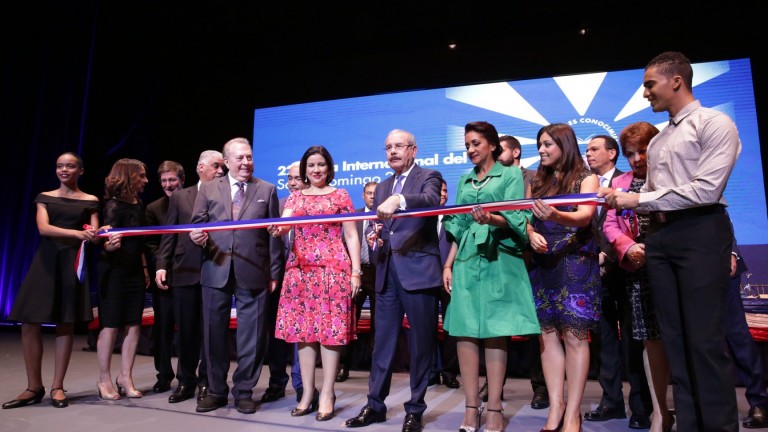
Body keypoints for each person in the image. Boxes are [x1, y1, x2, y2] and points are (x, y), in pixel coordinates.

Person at [600, 51, 741, 431]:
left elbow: (706, 190)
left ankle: (720, 426)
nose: (645, 93)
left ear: (676, 80)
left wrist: (637, 199)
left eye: (650, 84)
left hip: (699, 232)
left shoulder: (715, 123)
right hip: (660, 238)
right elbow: (656, 193)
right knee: (674, 341)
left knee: (705, 342)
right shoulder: (661, 139)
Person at [442, 121, 540, 432]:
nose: (471, 149)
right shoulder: (464, 180)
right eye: (468, 144)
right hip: (468, 261)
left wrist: (492, 219)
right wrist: (448, 265)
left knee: (497, 332)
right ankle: (471, 407)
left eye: (476, 143)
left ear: (493, 145)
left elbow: (518, 219)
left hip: (500, 259)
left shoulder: (511, 174)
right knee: (465, 331)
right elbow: (458, 226)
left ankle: (495, 406)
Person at [344, 129, 443, 432]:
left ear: (413, 150)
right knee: (382, 345)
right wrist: (377, 235)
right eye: (388, 147)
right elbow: (384, 227)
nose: (392, 151)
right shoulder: (383, 185)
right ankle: (375, 405)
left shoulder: (430, 176)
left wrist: (399, 199)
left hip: (419, 273)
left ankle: (415, 409)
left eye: (399, 146)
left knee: (421, 345)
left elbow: (429, 202)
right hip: (386, 274)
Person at [190, 137, 285, 415]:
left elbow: (274, 237)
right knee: (213, 334)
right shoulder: (208, 189)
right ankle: (216, 390)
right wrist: (197, 236)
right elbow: (197, 224)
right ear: (227, 161)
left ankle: (244, 391)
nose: (246, 163)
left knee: (252, 337)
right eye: (240, 158)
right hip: (215, 268)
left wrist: (275, 272)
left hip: (255, 271)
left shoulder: (267, 189)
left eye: (249, 157)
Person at [2, 153, 100, 410]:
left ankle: (57, 386)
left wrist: (94, 234)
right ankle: (34, 386)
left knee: (65, 322)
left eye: (69, 166)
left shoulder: (91, 200)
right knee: (29, 320)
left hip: (71, 262)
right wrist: (77, 233)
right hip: (46, 262)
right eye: (59, 166)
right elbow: (44, 228)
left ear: (81, 170)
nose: (64, 169)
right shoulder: (44, 197)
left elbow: (94, 233)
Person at [271, 145, 361, 421]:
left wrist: (356, 271)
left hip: (334, 270)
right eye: (311, 165)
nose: (316, 170)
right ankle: (308, 392)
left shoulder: (341, 195)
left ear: (329, 167)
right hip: (300, 272)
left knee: (330, 333)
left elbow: (352, 235)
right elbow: (284, 226)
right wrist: (277, 228)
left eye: (321, 164)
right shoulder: (295, 198)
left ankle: (327, 393)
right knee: (304, 334)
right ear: (304, 170)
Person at [527, 123, 600, 432]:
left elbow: (585, 216)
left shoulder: (587, 177)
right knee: (547, 336)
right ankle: (555, 407)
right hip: (542, 264)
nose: (541, 150)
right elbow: (526, 218)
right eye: (539, 145)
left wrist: (554, 216)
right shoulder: (536, 180)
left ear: (564, 144)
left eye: (547, 144)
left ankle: (573, 412)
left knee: (574, 336)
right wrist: (530, 233)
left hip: (575, 262)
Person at [603, 122, 673, 432]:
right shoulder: (620, 182)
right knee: (650, 342)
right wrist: (626, 246)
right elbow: (610, 225)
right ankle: (659, 412)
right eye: (630, 153)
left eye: (642, 151)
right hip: (639, 272)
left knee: (680, 339)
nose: (636, 159)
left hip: (672, 267)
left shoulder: (673, 175)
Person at [584, 135, 652, 429]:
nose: (588, 154)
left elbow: (621, 226)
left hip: (629, 269)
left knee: (636, 341)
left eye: (594, 149)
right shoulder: (583, 186)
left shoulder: (627, 182)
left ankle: (641, 407)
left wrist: (610, 255)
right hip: (594, 274)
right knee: (604, 341)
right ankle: (611, 402)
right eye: (586, 150)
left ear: (613, 153)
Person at [154, 150, 225, 403]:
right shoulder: (181, 197)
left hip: (216, 271)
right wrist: (162, 265)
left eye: (222, 167)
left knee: (210, 332)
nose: (220, 171)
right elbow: (169, 233)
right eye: (216, 166)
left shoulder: (226, 194)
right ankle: (186, 382)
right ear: (200, 167)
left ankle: (207, 382)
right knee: (185, 333)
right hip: (184, 271)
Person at [494, 134, 544, 409]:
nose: (495, 154)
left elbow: (534, 215)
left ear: (516, 152)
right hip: (499, 258)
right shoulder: (491, 179)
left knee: (537, 326)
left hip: (532, 258)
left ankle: (540, 387)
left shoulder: (535, 178)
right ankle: (495, 384)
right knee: (498, 324)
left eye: (500, 150)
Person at [96, 158, 150, 401]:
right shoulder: (112, 205)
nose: (146, 180)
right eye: (141, 175)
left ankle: (125, 376)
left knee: (133, 323)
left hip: (134, 271)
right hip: (113, 270)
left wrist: (145, 268)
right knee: (111, 325)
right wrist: (109, 246)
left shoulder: (139, 204)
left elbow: (139, 243)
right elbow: (103, 243)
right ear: (128, 176)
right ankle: (104, 378)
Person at [262, 161, 305, 404]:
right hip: (278, 280)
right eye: (289, 178)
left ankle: (301, 385)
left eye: (297, 178)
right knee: (277, 334)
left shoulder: (314, 207)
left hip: (306, 280)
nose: (292, 183)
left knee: (303, 335)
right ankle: (277, 382)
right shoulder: (277, 206)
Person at [145, 160, 185, 394]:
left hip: (189, 275)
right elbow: (150, 242)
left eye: (172, 180)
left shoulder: (195, 202)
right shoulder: (153, 208)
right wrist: (163, 263)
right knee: (163, 329)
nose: (168, 185)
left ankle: (185, 376)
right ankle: (163, 375)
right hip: (164, 278)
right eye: (164, 181)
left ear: (182, 179)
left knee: (188, 330)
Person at [338, 180, 379, 383]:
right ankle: (343, 366)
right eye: (369, 193)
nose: (372, 196)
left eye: (375, 193)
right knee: (348, 320)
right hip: (356, 272)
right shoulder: (354, 215)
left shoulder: (385, 216)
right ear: (363, 196)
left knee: (378, 323)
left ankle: (375, 369)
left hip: (378, 273)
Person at [728, 232, 768, 429]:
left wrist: (731, 253)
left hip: (721, 264)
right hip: (688, 269)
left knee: (737, 334)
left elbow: (721, 216)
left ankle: (759, 402)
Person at [431, 179, 460, 390]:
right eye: (439, 190)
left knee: (451, 327)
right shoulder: (422, 216)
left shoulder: (455, 214)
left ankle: (449, 372)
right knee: (427, 327)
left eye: (445, 189)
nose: (442, 193)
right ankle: (431, 371)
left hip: (450, 277)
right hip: (425, 278)